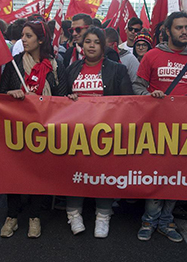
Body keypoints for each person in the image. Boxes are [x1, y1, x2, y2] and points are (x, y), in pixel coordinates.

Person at [133, 11, 187, 244]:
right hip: (156, 129)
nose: (185, 32)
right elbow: (137, 87)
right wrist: (149, 95)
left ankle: (166, 221)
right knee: (156, 174)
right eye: (179, 28)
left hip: (185, 130)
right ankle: (149, 219)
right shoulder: (153, 56)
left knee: (176, 176)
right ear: (168, 31)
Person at [59, 26, 131, 238]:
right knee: (75, 175)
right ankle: (73, 214)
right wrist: (68, 99)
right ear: (82, 45)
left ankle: (103, 216)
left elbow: (128, 101)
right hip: (76, 135)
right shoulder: (71, 69)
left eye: (96, 42)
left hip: (106, 135)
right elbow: (59, 101)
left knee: (104, 175)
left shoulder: (117, 70)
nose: (91, 45)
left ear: (103, 45)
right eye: (88, 41)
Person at [0, 19, 60, 239]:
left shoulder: (53, 65)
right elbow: (0, 92)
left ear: (41, 40)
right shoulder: (14, 62)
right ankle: (12, 216)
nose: (22, 40)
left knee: (38, 174)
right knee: (14, 173)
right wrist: (11, 94)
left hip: (43, 130)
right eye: (22, 36)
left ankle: (35, 217)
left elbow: (60, 96)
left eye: (28, 36)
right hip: (16, 129)